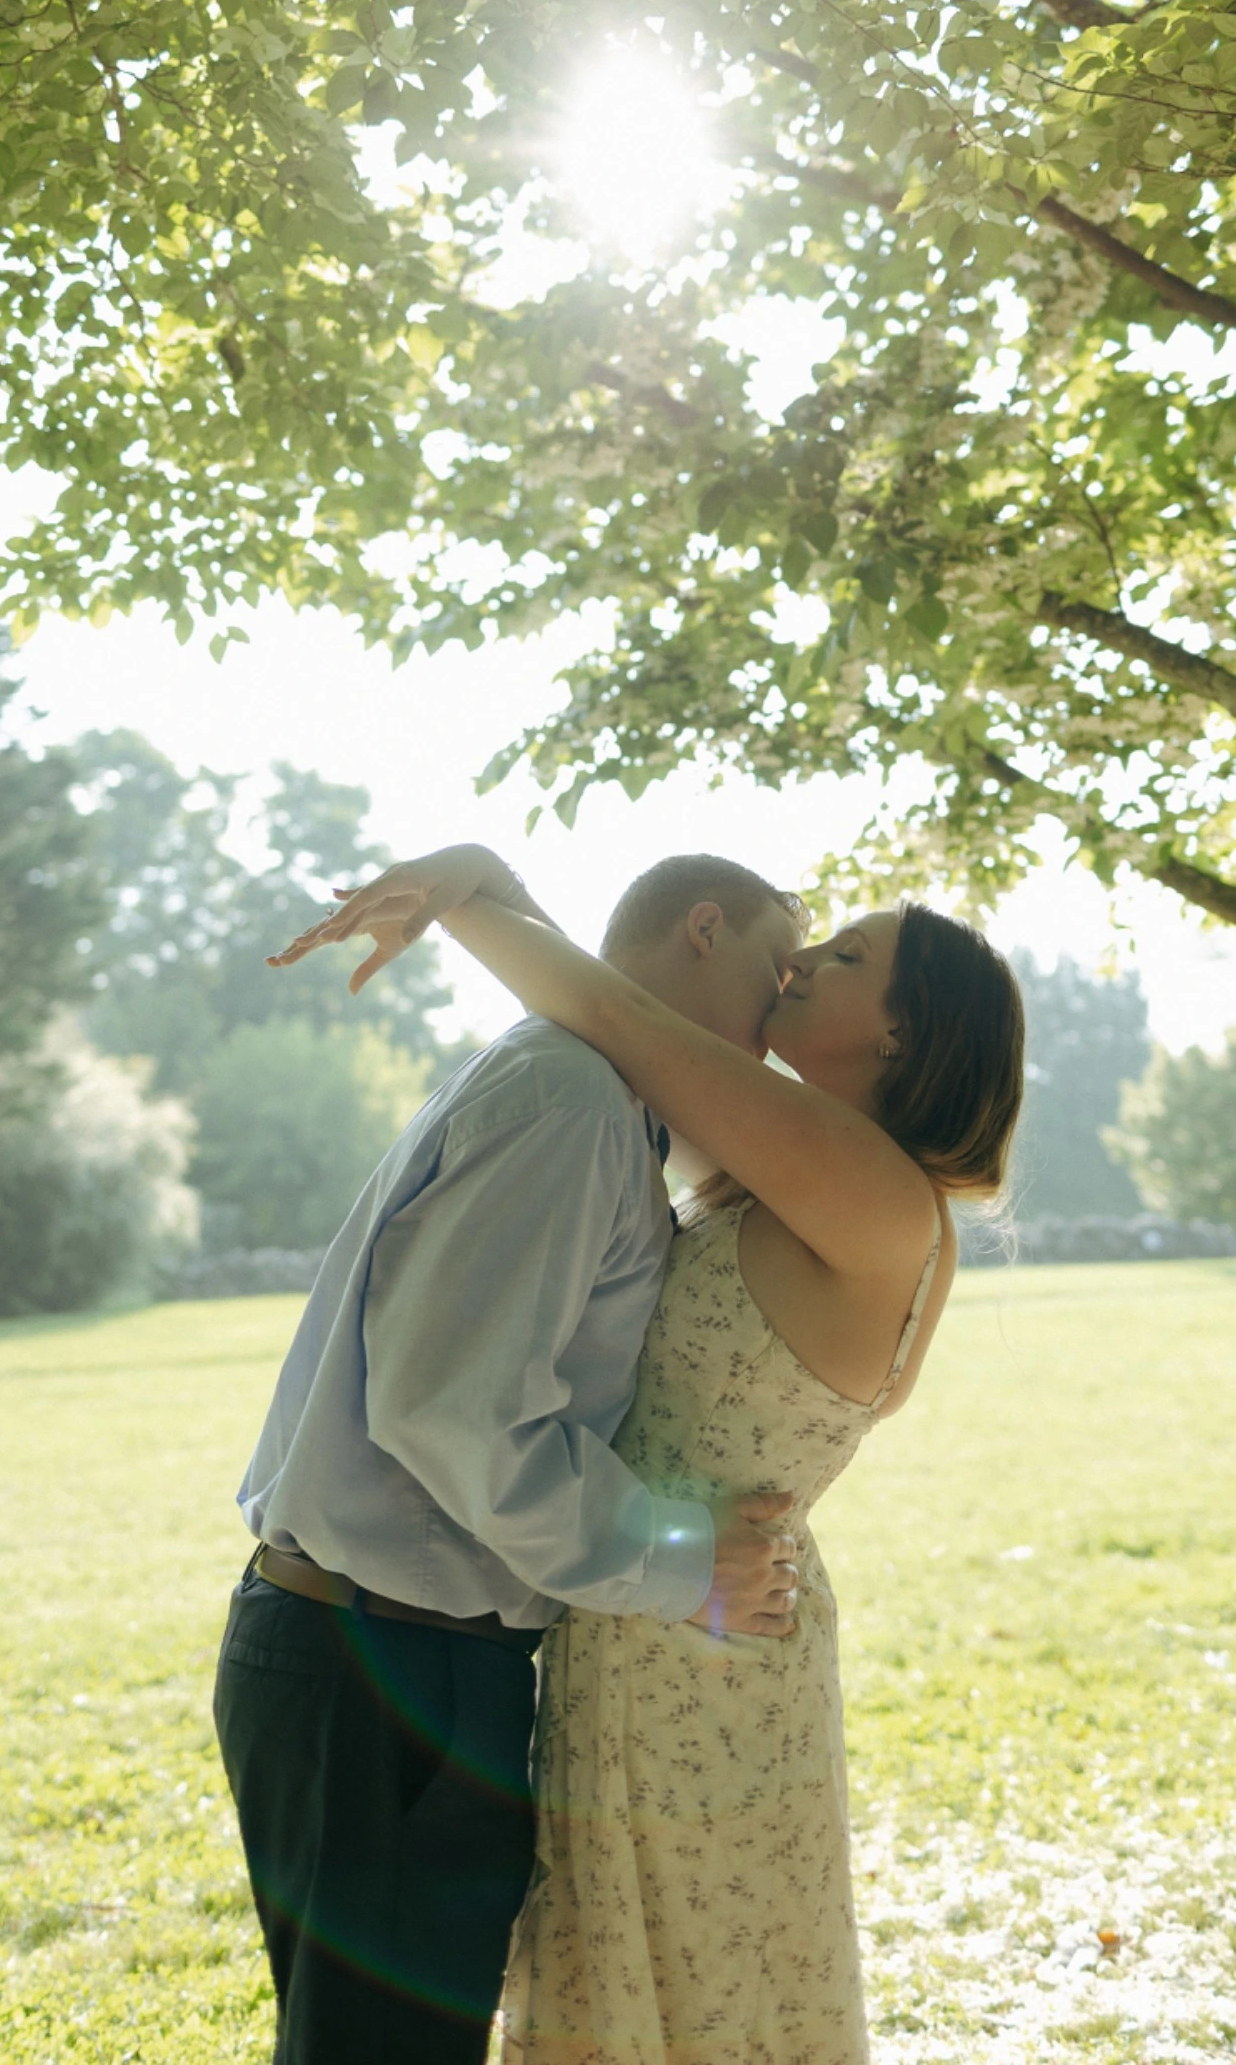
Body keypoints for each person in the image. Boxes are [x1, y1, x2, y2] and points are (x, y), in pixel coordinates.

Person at [279, 842, 1026, 2065]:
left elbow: (617, 1012)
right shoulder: (769, 1178)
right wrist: (487, 883)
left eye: (845, 957)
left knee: (699, 2004)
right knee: (626, 2002)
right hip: (641, 1627)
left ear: (899, 1036)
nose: (805, 963)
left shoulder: (874, 1192)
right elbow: (627, 1009)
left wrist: (470, 886)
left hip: (700, 1652)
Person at [214, 853, 810, 2065]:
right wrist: (686, 1558)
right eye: (777, 967)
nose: (781, 1015)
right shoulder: (571, 1100)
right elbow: (457, 1412)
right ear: (705, 928)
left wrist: (487, 881)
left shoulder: (586, 1090)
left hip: (397, 1655)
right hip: (387, 1665)